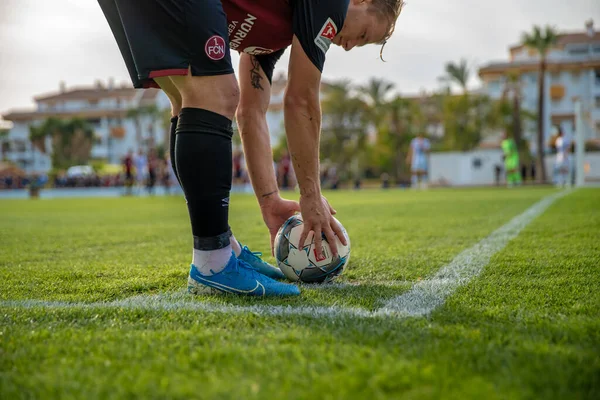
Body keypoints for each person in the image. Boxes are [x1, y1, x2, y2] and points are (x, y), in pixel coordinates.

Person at [99, 0, 403, 297]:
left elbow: (250, 112)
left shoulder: (276, 29)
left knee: (186, 96)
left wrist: (269, 202)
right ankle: (213, 263)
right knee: (214, 93)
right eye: (363, 36)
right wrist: (311, 197)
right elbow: (301, 99)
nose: (350, 46)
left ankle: (221, 247)